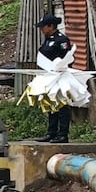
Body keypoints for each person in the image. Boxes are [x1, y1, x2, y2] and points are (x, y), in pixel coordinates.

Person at [34, 14, 73, 143]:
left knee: (62, 105)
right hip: (49, 76)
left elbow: (67, 58)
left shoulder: (62, 40)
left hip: (60, 77)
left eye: (43, 27)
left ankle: (63, 134)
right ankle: (51, 132)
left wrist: (59, 69)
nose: (41, 29)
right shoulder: (48, 39)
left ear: (51, 26)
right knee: (51, 104)